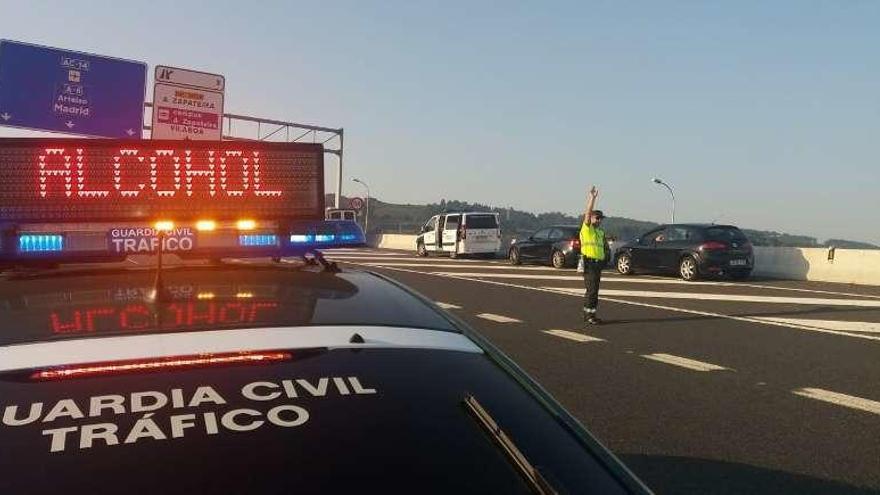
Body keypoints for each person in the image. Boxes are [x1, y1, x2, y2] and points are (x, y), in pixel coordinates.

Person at [580, 186, 610, 325]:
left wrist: (605, 259)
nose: (599, 220)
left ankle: (592, 313)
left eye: (600, 219)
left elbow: (603, 248)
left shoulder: (600, 233)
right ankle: (588, 315)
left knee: (595, 290)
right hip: (589, 262)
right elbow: (587, 214)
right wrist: (592, 198)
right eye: (597, 218)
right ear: (591, 218)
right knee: (591, 290)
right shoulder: (587, 229)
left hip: (597, 264)